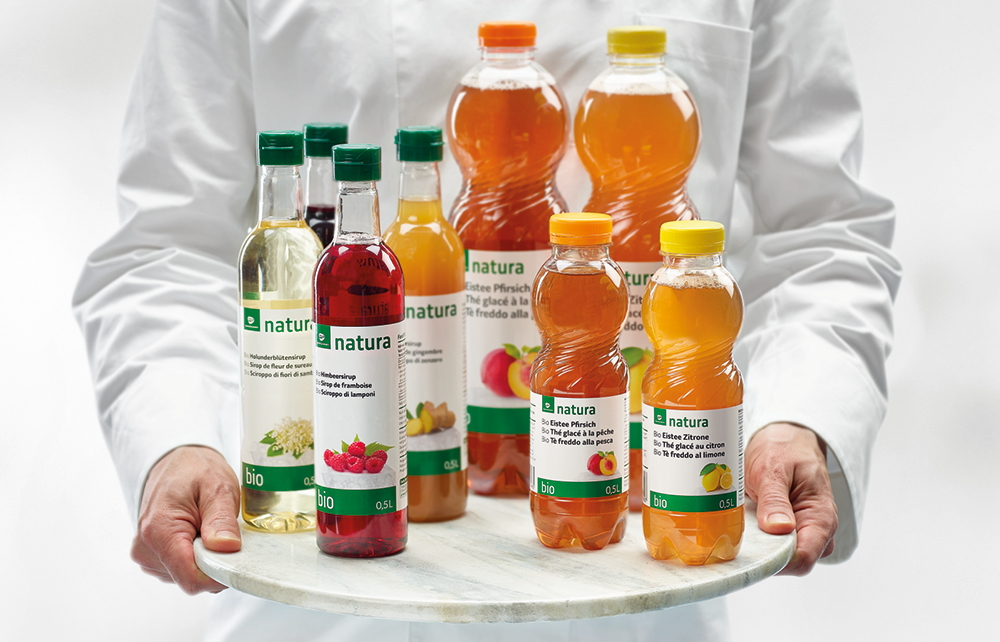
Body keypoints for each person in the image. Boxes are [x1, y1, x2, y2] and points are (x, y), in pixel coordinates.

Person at [73, 1, 900, 640]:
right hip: (330, 598)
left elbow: (823, 229)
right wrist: (176, 438)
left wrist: (798, 416)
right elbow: (168, 245)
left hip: (642, 584)